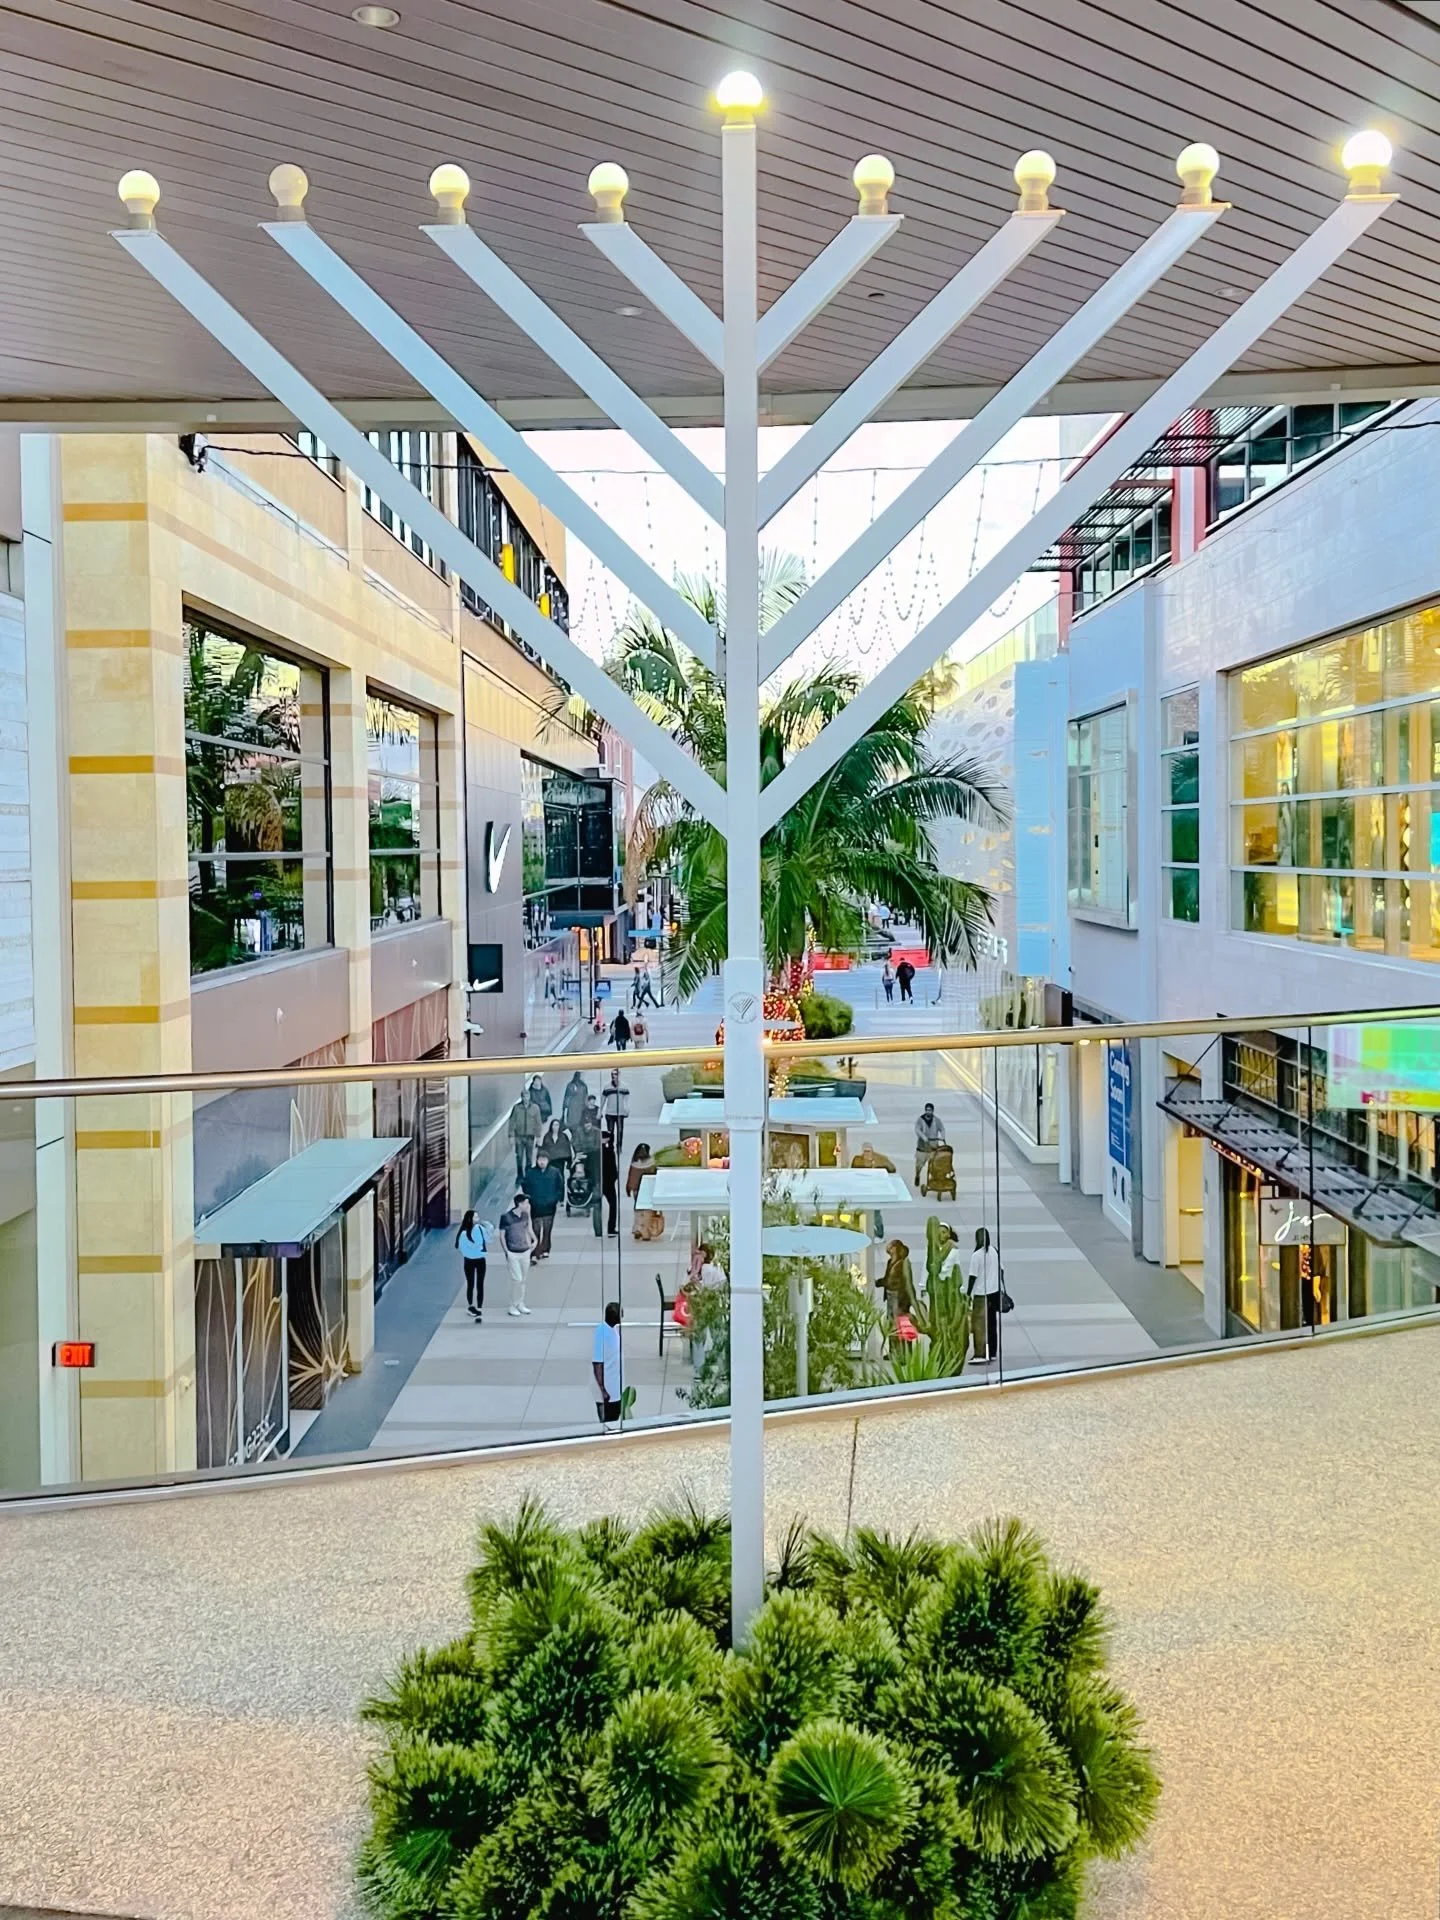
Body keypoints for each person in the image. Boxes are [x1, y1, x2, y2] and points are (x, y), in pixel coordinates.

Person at [967, 1225, 1004, 1364]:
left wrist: (968, 1294)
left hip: (981, 1294)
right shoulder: (995, 1251)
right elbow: (1001, 1270)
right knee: (992, 1323)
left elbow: (972, 1277)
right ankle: (993, 1352)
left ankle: (980, 1354)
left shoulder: (976, 1256)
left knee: (979, 1325)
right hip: (994, 1292)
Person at [498, 1191, 536, 1316]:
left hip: (525, 1251)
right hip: (513, 1252)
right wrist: (506, 1251)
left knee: (523, 1279)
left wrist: (534, 1240)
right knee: (517, 1279)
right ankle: (512, 1305)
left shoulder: (525, 1215)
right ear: (519, 1204)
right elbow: (502, 1235)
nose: (528, 1205)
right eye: (526, 1203)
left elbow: (528, 1228)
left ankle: (520, 1303)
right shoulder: (506, 1217)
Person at [521, 1150, 563, 1260]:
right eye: (540, 1160)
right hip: (536, 1206)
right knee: (535, 1230)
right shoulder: (531, 1173)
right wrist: (530, 1198)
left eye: (544, 1160)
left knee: (547, 1230)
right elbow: (525, 1186)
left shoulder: (555, 1172)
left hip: (549, 1206)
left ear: (548, 1160)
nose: (542, 1162)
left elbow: (560, 1186)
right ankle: (535, 1251)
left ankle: (545, 1249)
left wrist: (556, 1199)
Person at [455, 1209, 493, 1322]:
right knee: (475, 1284)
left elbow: (460, 1247)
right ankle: (475, 1306)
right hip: (476, 1260)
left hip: (473, 1260)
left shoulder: (471, 1231)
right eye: (476, 1217)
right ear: (471, 1219)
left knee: (475, 1284)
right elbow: (487, 1240)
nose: (478, 1219)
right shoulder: (472, 1231)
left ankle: (475, 1306)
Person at [592, 1299, 624, 1425]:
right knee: (609, 1422)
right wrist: (603, 1390)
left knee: (615, 1418)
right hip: (608, 1393)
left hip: (614, 1389)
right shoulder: (602, 1334)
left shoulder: (612, 1331)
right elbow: (597, 1364)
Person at [627, 1142, 663, 1240]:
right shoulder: (651, 1163)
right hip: (648, 1191)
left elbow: (631, 1177)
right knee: (647, 1212)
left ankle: (637, 1229)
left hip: (637, 1191)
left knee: (638, 1212)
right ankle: (646, 1232)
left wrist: (629, 1188)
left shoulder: (634, 1163)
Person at [508, 1093, 540, 1181]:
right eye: (524, 1097)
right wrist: (511, 1135)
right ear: (521, 1097)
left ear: (530, 1097)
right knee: (519, 1156)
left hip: (530, 1136)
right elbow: (512, 1122)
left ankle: (528, 1175)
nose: (526, 1098)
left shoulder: (535, 1108)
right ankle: (520, 1175)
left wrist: (538, 1136)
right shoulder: (517, 1108)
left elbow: (538, 1123)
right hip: (519, 1136)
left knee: (529, 1157)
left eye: (527, 1096)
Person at [914, 1101, 946, 1185]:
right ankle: (917, 1175)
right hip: (923, 1147)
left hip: (933, 1146)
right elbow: (917, 1129)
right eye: (927, 1110)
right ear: (925, 1111)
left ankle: (933, 1179)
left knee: (934, 1164)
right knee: (919, 1165)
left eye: (930, 1110)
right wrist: (924, 1137)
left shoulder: (937, 1120)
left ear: (932, 1111)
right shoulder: (920, 1120)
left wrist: (942, 1136)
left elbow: (942, 1128)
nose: (928, 1112)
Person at [881, 1238, 914, 1318]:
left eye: (892, 1247)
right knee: (890, 1314)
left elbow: (902, 1280)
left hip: (898, 1293)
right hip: (890, 1292)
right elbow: (887, 1277)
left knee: (897, 1315)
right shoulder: (890, 1261)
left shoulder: (902, 1263)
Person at [602, 1068, 630, 1153]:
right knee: (610, 1131)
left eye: (616, 1074)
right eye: (613, 1074)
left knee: (620, 1130)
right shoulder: (607, 1087)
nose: (614, 1076)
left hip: (620, 1113)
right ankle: (611, 1146)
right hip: (610, 1113)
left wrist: (626, 1109)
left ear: (619, 1075)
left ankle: (619, 1147)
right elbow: (603, 1099)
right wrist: (600, 1110)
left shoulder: (624, 1086)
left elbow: (626, 1100)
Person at [600, 1131, 620, 1237]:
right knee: (613, 1204)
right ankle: (610, 1228)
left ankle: (606, 1229)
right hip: (607, 1182)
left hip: (604, 1181)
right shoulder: (607, 1151)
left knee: (609, 1205)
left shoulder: (606, 1150)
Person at [562, 1070, 589, 1136]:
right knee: (575, 1129)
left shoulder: (582, 1086)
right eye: (582, 1075)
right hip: (573, 1110)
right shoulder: (573, 1086)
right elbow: (567, 1098)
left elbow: (585, 1099)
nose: (584, 1076)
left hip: (578, 1110)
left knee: (576, 1130)